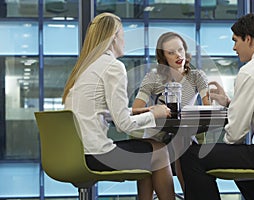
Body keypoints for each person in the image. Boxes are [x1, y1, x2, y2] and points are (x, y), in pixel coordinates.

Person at [179, 13, 254, 200]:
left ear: (249, 39)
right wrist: (231, 104)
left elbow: (235, 135)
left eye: (236, 41)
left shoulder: (252, 70)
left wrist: (231, 124)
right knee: (237, 157)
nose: (234, 47)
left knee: (192, 155)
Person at [62, 12, 176, 200]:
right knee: (159, 150)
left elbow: (93, 111)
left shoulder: (84, 68)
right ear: (114, 37)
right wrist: (154, 114)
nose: (125, 40)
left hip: (74, 154)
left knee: (147, 150)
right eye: (123, 34)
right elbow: (124, 126)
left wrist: (133, 111)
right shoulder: (113, 66)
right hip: (97, 155)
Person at [132, 31, 211, 191]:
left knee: (181, 140)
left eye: (180, 49)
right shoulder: (153, 78)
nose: (178, 55)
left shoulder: (197, 76)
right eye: (171, 52)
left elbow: (208, 106)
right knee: (154, 150)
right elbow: (136, 109)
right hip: (157, 134)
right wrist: (153, 109)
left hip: (183, 136)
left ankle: (189, 193)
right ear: (163, 57)